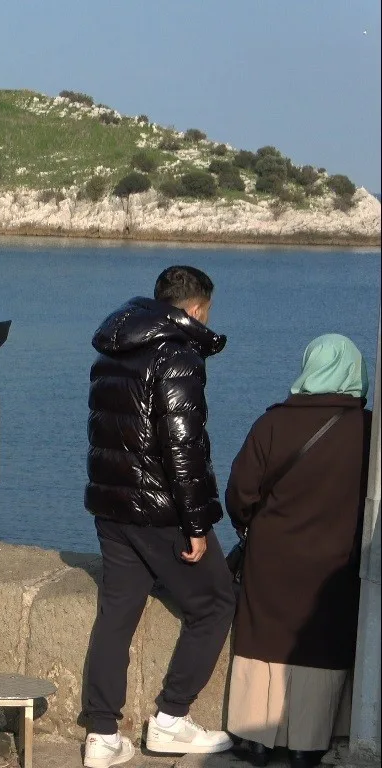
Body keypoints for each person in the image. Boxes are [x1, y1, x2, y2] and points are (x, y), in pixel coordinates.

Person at [80, 266, 235, 767]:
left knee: (117, 616)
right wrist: (196, 524)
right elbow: (183, 446)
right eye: (206, 311)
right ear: (194, 308)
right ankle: (171, 718)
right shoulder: (177, 354)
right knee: (215, 602)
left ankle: (102, 736)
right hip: (159, 511)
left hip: (112, 506)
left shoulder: (113, 346)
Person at [224, 334, 372, 768]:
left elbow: (240, 493)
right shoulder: (368, 430)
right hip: (335, 561)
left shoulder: (272, 424)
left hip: (271, 557)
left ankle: (254, 739)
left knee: (263, 640)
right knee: (321, 643)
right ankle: (309, 744)